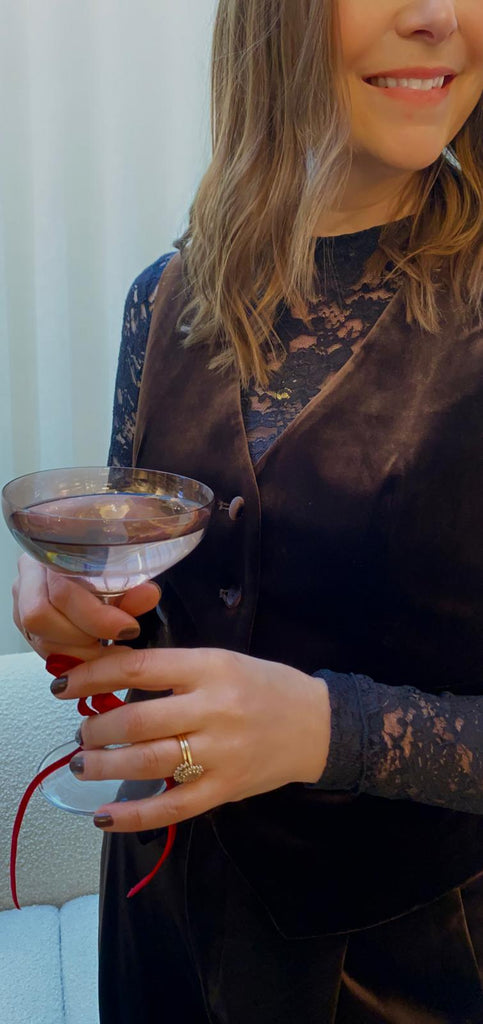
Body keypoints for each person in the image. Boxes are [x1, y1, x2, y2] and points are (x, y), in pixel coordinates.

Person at [12, 1, 483, 1020]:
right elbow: (144, 584)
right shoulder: (163, 297)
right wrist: (73, 596)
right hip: (159, 929)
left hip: (405, 973)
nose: (437, 16)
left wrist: (327, 729)